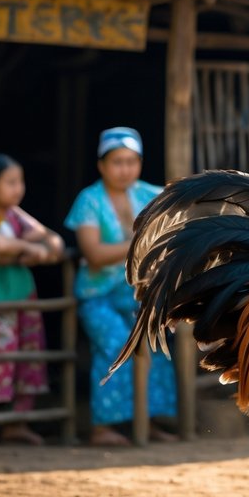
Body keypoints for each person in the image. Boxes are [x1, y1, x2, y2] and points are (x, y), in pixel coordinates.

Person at [64, 128, 177, 446]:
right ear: (102, 165)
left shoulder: (152, 196)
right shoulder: (89, 200)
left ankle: (148, 421)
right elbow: (94, 254)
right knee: (116, 345)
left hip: (139, 296)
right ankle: (103, 427)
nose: (125, 168)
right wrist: (140, 243)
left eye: (131, 161)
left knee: (157, 347)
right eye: (117, 162)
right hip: (96, 295)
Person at [0, 155, 63, 446]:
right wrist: (29, 248)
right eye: (10, 182)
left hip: (20, 301)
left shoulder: (15, 215)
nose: (18, 188)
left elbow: (53, 240)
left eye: (20, 181)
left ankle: (15, 424)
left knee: (25, 358)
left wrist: (43, 247)